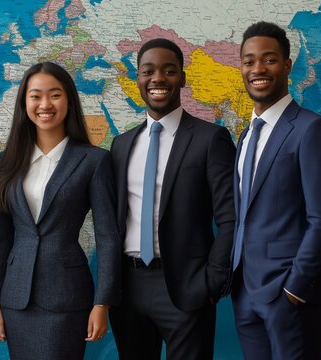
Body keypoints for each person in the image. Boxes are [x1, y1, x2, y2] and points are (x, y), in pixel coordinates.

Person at [108, 38, 236, 359]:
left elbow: (231, 217)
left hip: (186, 287)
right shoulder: (121, 145)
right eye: (147, 71)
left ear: (182, 77)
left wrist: (212, 282)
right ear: (137, 78)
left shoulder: (211, 139)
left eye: (169, 70)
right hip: (129, 289)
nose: (158, 79)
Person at [0, 62, 120, 359]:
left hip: (66, 298)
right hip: (16, 299)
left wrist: (102, 303)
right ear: (24, 103)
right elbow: (0, 237)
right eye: (35, 96)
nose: (45, 104)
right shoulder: (8, 160)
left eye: (55, 95)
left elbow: (108, 237)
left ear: (69, 100)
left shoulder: (93, 160)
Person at [231, 21, 321, 360]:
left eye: (269, 59)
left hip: (291, 295)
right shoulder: (246, 135)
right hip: (246, 291)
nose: (258, 69)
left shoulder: (312, 130)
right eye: (249, 61)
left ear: (288, 65)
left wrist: (294, 288)